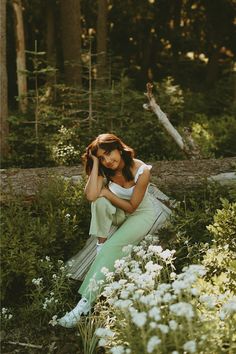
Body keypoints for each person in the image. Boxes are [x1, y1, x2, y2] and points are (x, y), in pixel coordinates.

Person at [58, 133, 158, 328]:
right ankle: (99, 245)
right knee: (99, 201)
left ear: (119, 148)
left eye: (108, 154)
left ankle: (83, 306)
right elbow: (91, 196)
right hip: (119, 213)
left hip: (140, 215)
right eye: (101, 157)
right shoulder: (105, 168)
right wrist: (95, 163)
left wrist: (106, 192)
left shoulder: (141, 170)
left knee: (113, 247)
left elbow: (132, 207)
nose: (107, 160)